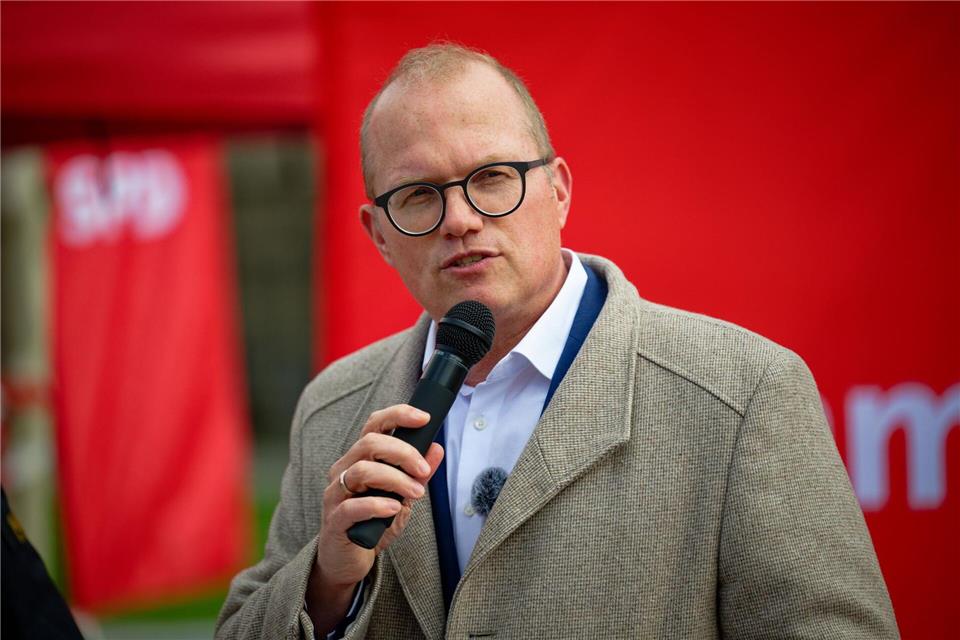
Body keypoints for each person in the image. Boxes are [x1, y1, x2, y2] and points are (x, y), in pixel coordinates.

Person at [217, 44, 898, 639]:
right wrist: (327, 581)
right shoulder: (333, 408)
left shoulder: (745, 392)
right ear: (378, 234)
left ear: (559, 190)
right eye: (419, 195)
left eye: (491, 178)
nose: (460, 219)